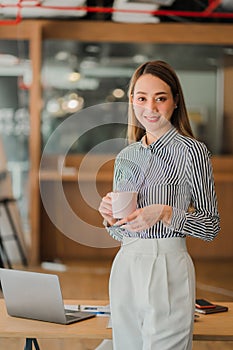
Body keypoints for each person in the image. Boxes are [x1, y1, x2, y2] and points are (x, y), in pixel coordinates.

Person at [98, 60, 220, 350]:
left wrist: (166, 213)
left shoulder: (194, 152)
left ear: (175, 101)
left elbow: (211, 227)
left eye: (160, 98)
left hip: (168, 265)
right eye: (141, 98)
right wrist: (110, 219)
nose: (150, 108)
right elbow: (120, 232)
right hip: (126, 265)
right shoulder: (126, 156)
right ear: (132, 101)